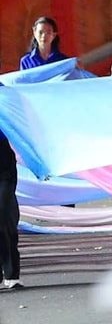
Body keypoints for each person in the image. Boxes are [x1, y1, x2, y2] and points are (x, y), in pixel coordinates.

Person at [1, 122, 17, 291]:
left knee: (3, 218)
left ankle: (11, 274)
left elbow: (23, 133)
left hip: (4, 171)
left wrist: (38, 165)